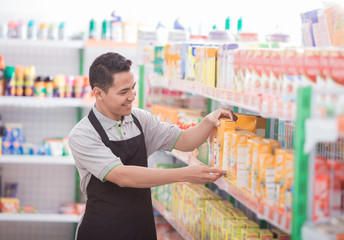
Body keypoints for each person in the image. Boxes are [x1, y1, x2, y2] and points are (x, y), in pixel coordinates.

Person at [68, 52, 237, 240]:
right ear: (98, 93)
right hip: (102, 230)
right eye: (123, 92)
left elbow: (184, 141)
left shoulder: (140, 120)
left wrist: (208, 121)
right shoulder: (83, 134)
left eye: (132, 88)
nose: (132, 96)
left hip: (141, 228)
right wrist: (184, 174)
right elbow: (121, 176)